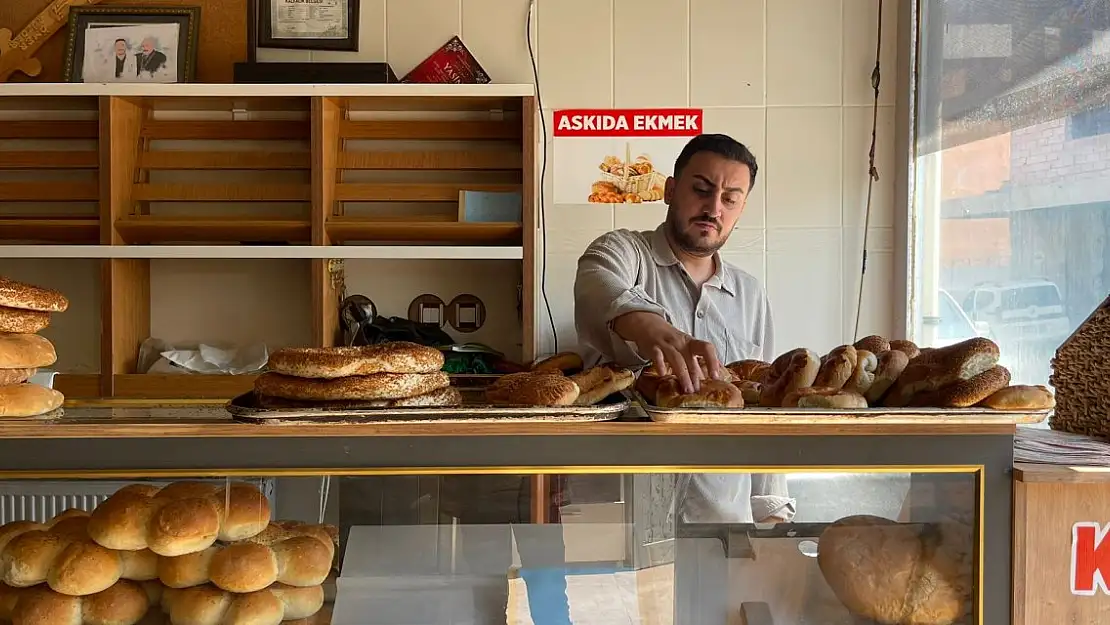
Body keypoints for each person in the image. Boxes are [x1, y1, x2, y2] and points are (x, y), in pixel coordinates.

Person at [573, 133, 796, 624]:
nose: (713, 206)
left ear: (740, 209)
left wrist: (773, 517)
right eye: (701, 188)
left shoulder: (751, 296)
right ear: (671, 189)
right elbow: (596, 285)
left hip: (717, 517)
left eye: (730, 198)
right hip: (613, 512)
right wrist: (651, 327)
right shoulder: (624, 252)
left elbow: (766, 410)